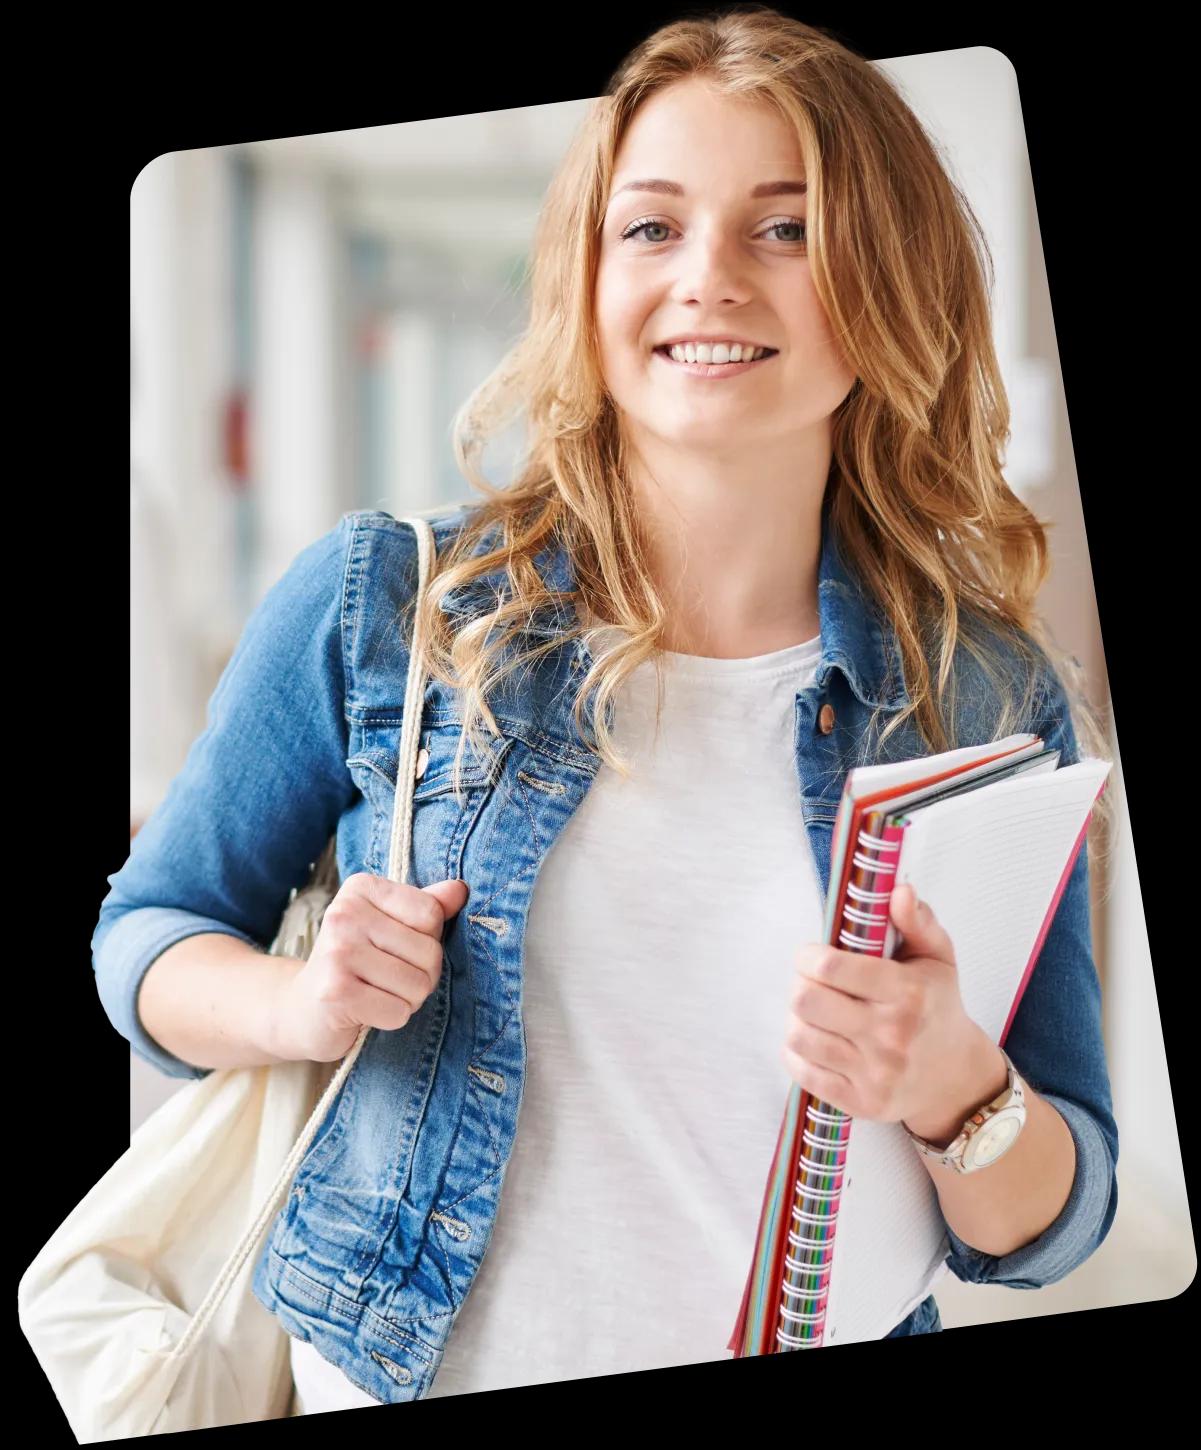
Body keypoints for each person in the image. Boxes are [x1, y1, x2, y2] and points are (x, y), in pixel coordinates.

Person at [98, 6, 1118, 1413]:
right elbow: (146, 939)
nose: (707, 278)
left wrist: (955, 1084)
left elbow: (1055, 1217)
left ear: (891, 281)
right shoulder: (385, 599)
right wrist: (302, 998)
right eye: (649, 228)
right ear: (585, 274)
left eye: (787, 227)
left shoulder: (982, 692)